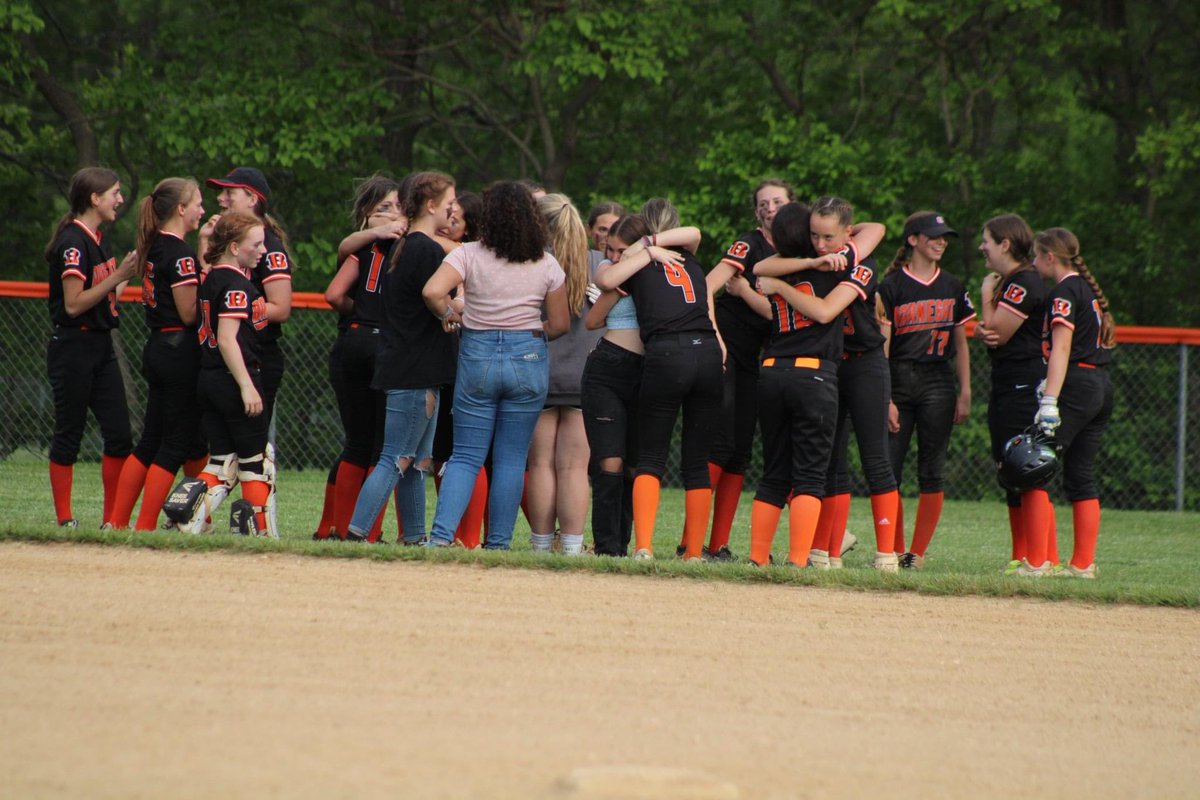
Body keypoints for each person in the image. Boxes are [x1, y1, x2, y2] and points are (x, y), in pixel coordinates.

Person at [422, 181, 570, 549]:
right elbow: (561, 323)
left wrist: (450, 317)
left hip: (477, 353)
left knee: (466, 456)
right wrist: (529, 338)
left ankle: (440, 539)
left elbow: (432, 291)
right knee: (511, 459)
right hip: (528, 355)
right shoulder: (546, 262)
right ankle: (499, 543)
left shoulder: (468, 254)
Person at [753, 197, 892, 569]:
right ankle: (815, 553)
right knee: (822, 469)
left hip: (837, 364)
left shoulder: (847, 264)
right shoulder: (816, 265)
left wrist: (785, 284)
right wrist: (816, 260)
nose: (820, 244)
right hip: (820, 370)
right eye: (813, 235)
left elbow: (875, 229)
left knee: (868, 459)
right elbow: (767, 268)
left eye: (828, 237)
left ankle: (884, 553)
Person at [593, 215, 721, 561]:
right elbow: (695, 231)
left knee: (650, 457)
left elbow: (604, 279)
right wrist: (652, 246)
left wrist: (645, 250)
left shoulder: (636, 264)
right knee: (696, 462)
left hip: (667, 352)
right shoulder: (687, 256)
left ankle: (644, 547)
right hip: (708, 352)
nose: (617, 256)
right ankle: (693, 552)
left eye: (622, 250)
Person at [344, 172, 458, 543]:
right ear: (430, 206)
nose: (453, 208)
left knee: (416, 464)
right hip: (413, 369)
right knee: (397, 458)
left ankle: (414, 537)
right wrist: (450, 312)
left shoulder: (409, 244)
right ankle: (357, 533)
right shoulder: (424, 248)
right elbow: (431, 294)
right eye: (448, 203)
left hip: (411, 365)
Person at [697, 180, 792, 560]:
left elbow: (778, 314)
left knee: (739, 453)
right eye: (764, 203)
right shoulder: (750, 244)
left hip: (757, 357)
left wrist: (747, 292)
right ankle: (691, 544)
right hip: (728, 350)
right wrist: (715, 336)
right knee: (720, 445)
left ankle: (718, 546)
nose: (771, 207)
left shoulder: (799, 251)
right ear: (757, 213)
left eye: (779, 201)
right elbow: (708, 284)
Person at [109, 177, 209, 531]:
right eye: (197, 202)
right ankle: (144, 526)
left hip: (158, 346)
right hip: (178, 350)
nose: (202, 209)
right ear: (180, 209)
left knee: (151, 438)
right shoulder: (179, 252)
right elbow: (187, 313)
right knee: (174, 443)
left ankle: (118, 522)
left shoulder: (156, 246)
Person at [877, 212, 975, 569]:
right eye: (934, 236)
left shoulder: (952, 285)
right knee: (889, 469)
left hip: (938, 381)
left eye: (944, 236)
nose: (941, 241)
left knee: (932, 470)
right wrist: (885, 396)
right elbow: (882, 349)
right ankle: (893, 548)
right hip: (899, 381)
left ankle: (915, 554)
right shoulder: (890, 287)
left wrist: (965, 391)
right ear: (913, 240)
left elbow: (962, 345)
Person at [1016, 228, 1115, 578]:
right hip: (1100, 384)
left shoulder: (1064, 291)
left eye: (1036, 256)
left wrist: (1050, 399)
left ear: (1050, 257)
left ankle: (1039, 562)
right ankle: (1083, 564)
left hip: (1075, 385)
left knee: (1032, 467)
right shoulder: (1086, 288)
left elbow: (1061, 347)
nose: (1033, 262)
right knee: (1080, 476)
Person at [45, 167, 137, 528]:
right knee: (70, 431)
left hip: (100, 344)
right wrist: (116, 277)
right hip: (73, 346)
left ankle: (111, 521)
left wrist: (126, 275)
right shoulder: (73, 241)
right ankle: (65, 519)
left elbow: (107, 296)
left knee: (119, 434)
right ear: (94, 199)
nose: (120, 198)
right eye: (114, 192)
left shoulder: (98, 238)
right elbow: (73, 304)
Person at [319, 175, 405, 541]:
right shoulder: (408, 248)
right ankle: (368, 532)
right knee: (381, 449)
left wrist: (360, 313)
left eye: (397, 207)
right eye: (383, 207)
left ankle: (338, 529)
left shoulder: (362, 249)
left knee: (355, 443)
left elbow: (334, 295)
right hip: (385, 345)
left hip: (352, 341)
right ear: (367, 215)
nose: (392, 215)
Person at [973, 214, 1056, 573]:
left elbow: (996, 332)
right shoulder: (1015, 281)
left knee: (1028, 466)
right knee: (1010, 468)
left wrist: (986, 296)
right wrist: (987, 326)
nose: (982, 247)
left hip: (1023, 384)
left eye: (986, 240)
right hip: (1009, 383)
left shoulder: (1022, 281)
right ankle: (1023, 555)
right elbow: (988, 332)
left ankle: (1039, 559)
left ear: (1005, 244)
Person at [188, 212, 274, 536]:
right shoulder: (237, 284)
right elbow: (227, 338)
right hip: (232, 376)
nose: (263, 250)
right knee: (255, 465)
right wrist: (247, 386)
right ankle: (257, 533)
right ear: (235, 247)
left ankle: (184, 514)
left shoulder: (211, 278)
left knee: (221, 462)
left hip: (209, 378)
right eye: (257, 243)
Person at [526, 194, 602, 555]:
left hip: (538, 373)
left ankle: (541, 544)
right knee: (574, 467)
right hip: (585, 378)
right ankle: (571, 547)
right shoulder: (600, 264)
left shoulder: (529, 263)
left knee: (541, 463)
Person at [202, 168, 293, 422]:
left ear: (252, 199)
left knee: (249, 449)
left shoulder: (268, 246)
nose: (221, 199)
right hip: (223, 354)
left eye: (230, 192)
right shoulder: (228, 244)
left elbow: (281, 307)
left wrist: (234, 312)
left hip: (258, 354)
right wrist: (203, 244)